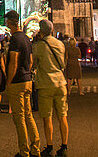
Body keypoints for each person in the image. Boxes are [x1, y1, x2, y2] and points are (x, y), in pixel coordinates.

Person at [4, 10, 39, 157]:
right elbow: (30, 61)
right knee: (29, 115)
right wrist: (26, 73)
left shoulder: (14, 40)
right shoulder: (26, 38)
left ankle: (24, 152)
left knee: (19, 119)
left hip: (17, 82)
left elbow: (13, 62)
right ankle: (36, 149)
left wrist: (9, 82)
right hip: (27, 80)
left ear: (10, 22)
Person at [33, 20, 69, 157]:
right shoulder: (60, 44)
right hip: (61, 83)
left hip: (46, 84)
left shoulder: (39, 46)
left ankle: (49, 146)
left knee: (47, 117)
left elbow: (34, 63)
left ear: (41, 31)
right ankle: (64, 146)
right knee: (63, 116)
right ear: (52, 30)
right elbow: (63, 62)